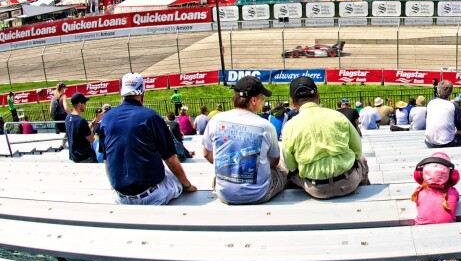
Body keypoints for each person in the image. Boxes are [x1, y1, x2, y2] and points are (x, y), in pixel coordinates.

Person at [100, 72, 197, 205]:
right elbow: (170, 158)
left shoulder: (106, 118)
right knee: (174, 177)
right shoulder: (151, 117)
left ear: (121, 94)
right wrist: (187, 185)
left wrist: (114, 186)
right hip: (152, 195)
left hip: (121, 195)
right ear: (142, 95)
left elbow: (106, 159)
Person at [281, 76, 370, 199]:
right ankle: (365, 191)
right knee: (362, 159)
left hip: (315, 188)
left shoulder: (290, 126)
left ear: (291, 101)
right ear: (317, 94)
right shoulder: (337, 116)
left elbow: (291, 165)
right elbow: (357, 150)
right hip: (349, 183)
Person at [203, 76, 286, 205]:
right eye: (262, 99)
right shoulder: (265, 126)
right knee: (283, 169)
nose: (263, 102)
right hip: (259, 194)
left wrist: (230, 170)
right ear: (253, 100)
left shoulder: (215, 120)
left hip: (224, 193)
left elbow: (206, 154)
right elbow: (274, 161)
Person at [411, 152, 461, 261]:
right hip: (448, 231)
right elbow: (456, 199)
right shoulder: (453, 192)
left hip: (423, 232)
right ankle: (451, 256)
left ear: (420, 175)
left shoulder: (419, 192)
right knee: (453, 238)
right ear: (452, 176)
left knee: (421, 240)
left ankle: (424, 259)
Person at [425, 80, 461, 148]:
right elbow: (460, 130)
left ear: (438, 91)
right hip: (448, 143)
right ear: (450, 93)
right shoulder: (454, 106)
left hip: (429, 142)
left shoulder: (430, 103)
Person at [65, 92, 98, 163]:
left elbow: (81, 131)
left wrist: (94, 120)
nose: (85, 105)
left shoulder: (68, 118)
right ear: (79, 104)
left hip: (74, 156)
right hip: (84, 157)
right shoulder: (81, 121)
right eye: (84, 103)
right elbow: (92, 139)